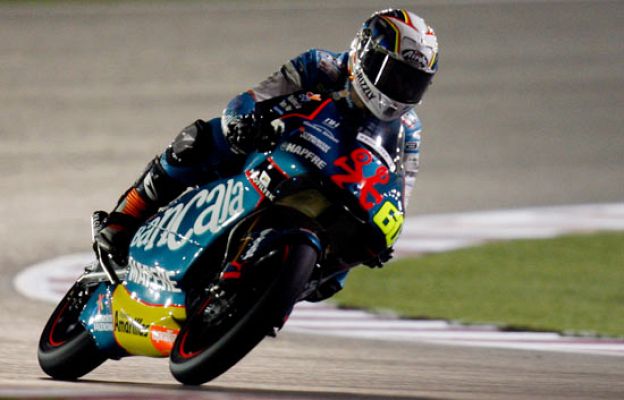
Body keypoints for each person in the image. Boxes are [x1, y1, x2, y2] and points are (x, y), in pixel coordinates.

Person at [95, 8, 439, 300]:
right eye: (393, 75)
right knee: (198, 141)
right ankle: (126, 215)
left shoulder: (410, 130)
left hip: (336, 187)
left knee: (336, 277)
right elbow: (254, 97)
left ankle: (261, 293)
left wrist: (385, 236)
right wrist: (241, 123)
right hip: (275, 149)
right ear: (365, 54)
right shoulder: (322, 66)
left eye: (413, 82)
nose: (400, 89)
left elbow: (400, 190)